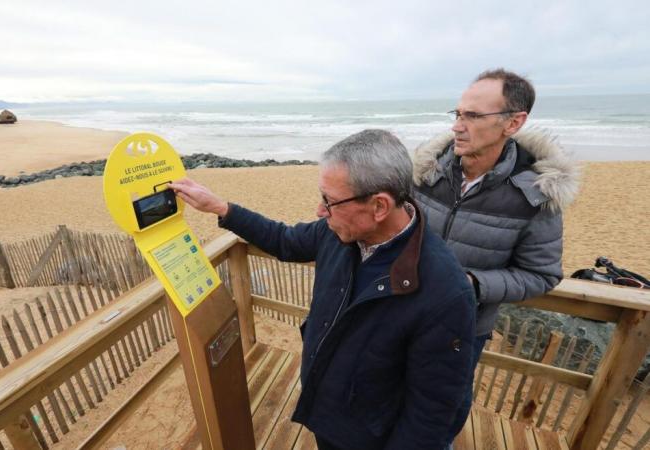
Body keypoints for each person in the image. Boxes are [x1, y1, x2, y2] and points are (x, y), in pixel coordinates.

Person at [170, 129, 475, 449]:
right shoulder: (340, 232)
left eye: (329, 201)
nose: (319, 211)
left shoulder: (445, 293)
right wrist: (222, 209)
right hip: (328, 414)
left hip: (371, 437)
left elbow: (432, 415)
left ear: (379, 206)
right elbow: (284, 241)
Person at [412, 68, 579, 437]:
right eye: (457, 114)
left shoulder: (536, 195)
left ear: (513, 122)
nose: (458, 126)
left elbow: (542, 274)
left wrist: (471, 284)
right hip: (402, 311)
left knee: (440, 415)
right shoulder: (427, 170)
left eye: (473, 116)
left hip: (463, 330)